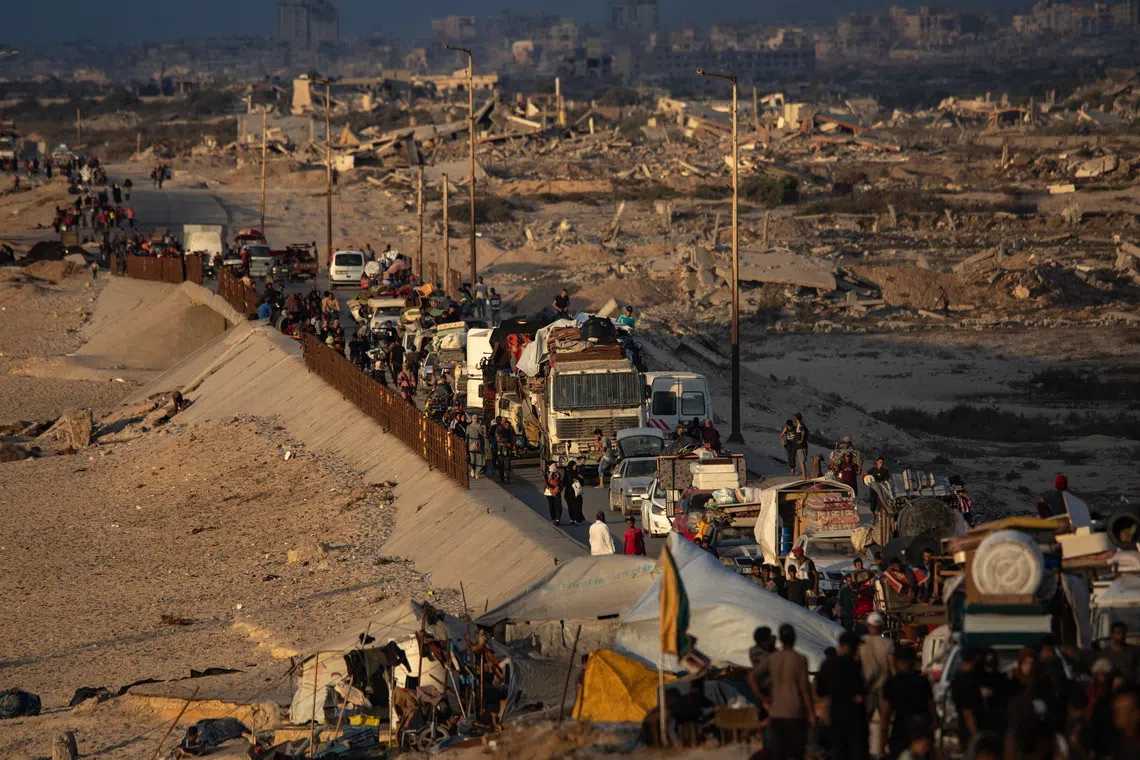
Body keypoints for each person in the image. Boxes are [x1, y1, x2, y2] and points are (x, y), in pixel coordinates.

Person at [751, 624, 814, 760]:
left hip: (776, 712)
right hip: (795, 712)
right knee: (796, 753)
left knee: (778, 753)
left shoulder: (772, 658)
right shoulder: (800, 659)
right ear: (795, 638)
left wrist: (762, 697)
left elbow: (751, 677)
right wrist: (811, 713)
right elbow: (804, 689)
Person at [815, 631, 868, 760]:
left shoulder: (827, 665)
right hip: (855, 719)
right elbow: (860, 693)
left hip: (836, 717)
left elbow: (820, 691)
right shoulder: (854, 666)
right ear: (851, 647)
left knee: (838, 752)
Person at [880, 646, 934, 760]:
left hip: (900, 732)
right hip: (921, 733)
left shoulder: (891, 683)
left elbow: (885, 713)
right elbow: (932, 708)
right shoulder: (923, 681)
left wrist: (882, 744)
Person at [859, 612, 893, 739]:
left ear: (869, 626)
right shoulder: (888, 644)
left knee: (864, 720)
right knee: (885, 721)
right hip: (884, 687)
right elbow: (892, 667)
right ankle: (882, 749)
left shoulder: (861, 643)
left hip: (867, 687)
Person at [466, 414, 485, 480]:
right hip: (471, 445)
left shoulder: (480, 426)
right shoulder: (469, 427)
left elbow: (482, 436)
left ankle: (477, 473)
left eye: (476, 418)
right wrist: (466, 444)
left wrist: (483, 445)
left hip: (479, 445)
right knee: (473, 459)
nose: (475, 419)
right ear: (472, 419)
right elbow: (467, 436)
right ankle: (472, 469)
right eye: (474, 418)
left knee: (479, 460)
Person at [793, 413, 809, 480]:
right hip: (803, 446)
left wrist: (801, 440)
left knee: (802, 462)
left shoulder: (800, 425)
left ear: (796, 419)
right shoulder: (802, 425)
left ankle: (804, 477)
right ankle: (804, 476)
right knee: (802, 461)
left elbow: (803, 432)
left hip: (801, 446)